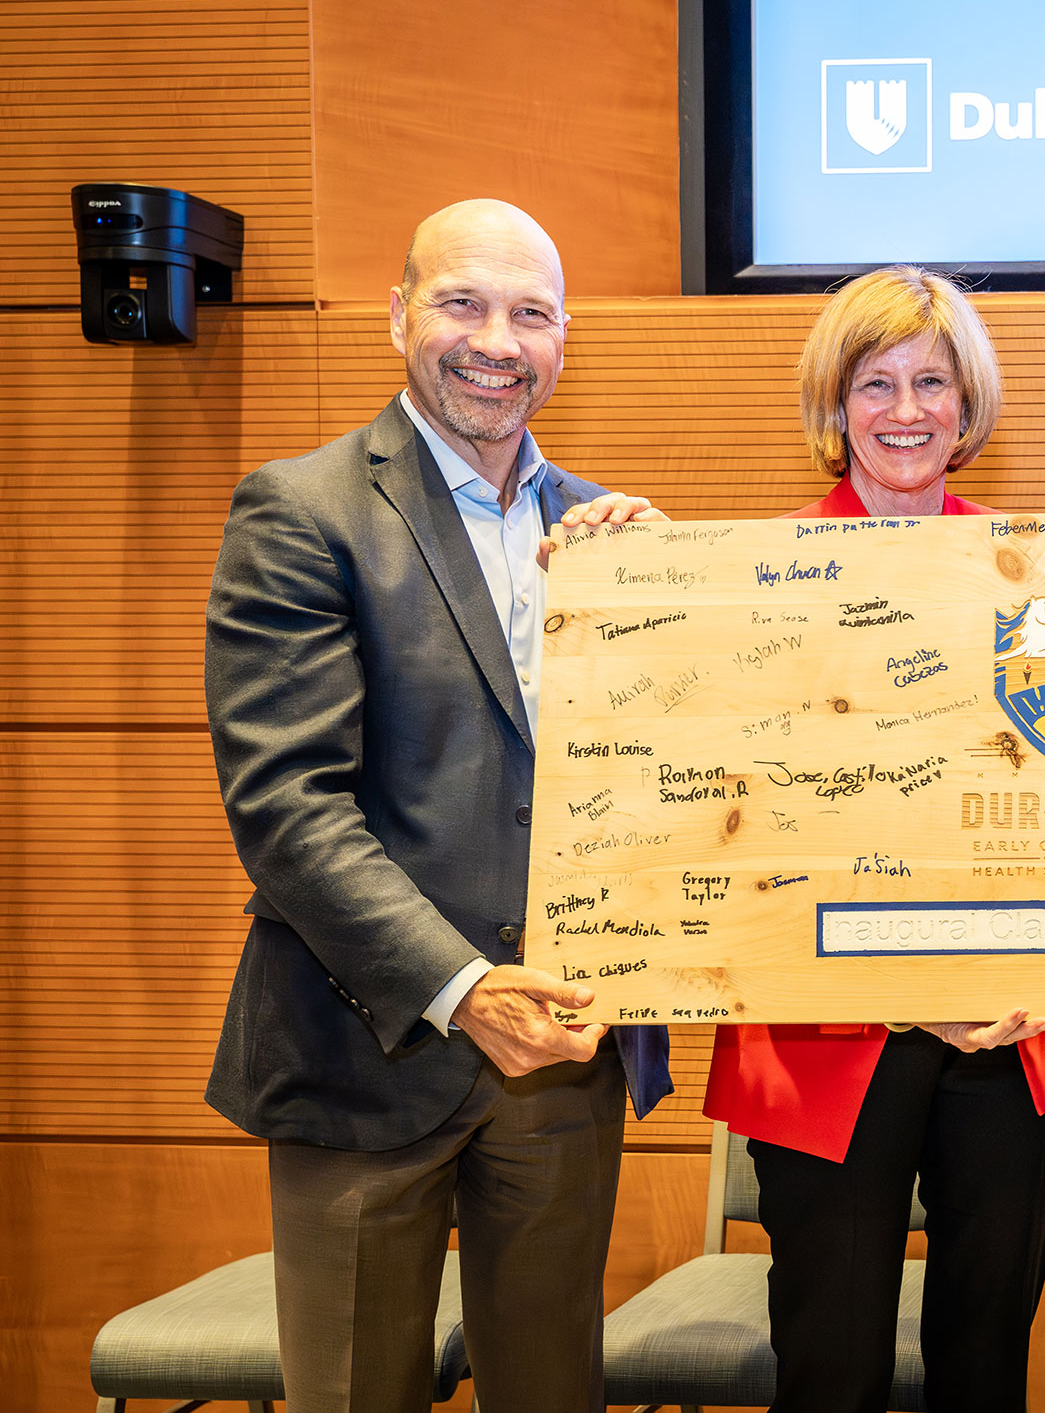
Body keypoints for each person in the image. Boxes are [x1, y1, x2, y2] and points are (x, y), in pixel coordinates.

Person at [203, 199, 674, 1412]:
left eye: (530, 313)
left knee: (551, 1391)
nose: (496, 340)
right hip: (369, 1045)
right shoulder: (302, 511)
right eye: (463, 302)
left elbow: (669, 785)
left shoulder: (608, 535)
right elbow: (287, 805)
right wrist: (465, 991)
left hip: (563, 1052)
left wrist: (683, 608)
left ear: (563, 339)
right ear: (399, 315)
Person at [701, 265, 1045, 1413]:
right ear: (835, 406)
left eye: (932, 380)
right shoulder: (759, 578)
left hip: (1010, 1021)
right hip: (821, 1029)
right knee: (829, 1361)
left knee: (983, 1357)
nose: (906, 410)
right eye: (875, 383)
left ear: (966, 403)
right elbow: (732, 822)